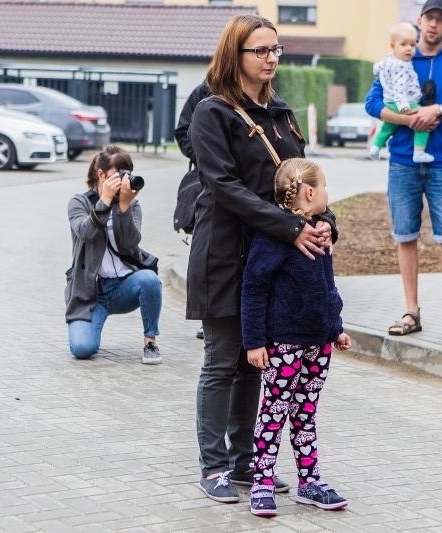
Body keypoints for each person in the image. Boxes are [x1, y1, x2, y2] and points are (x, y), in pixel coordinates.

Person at [186, 13, 337, 504]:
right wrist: (292, 228)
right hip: (227, 253)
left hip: (276, 258)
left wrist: (326, 222)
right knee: (222, 360)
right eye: (261, 50)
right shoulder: (213, 113)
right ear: (237, 55)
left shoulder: (283, 113)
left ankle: (247, 463)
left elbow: (301, 179)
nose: (272, 58)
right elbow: (223, 187)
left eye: (276, 50)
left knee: (259, 363)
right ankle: (214, 467)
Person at [364, 0, 442, 341]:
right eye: (428, 18)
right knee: (405, 236)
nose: (433, 24)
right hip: (402, 161)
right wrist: (410, 119)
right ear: (419, 22)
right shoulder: (399, 57)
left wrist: (438, 111)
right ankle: (411, 311)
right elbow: (373, 103)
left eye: (440, 20)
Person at [242, 158, 351, 517]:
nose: (327, 195)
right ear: (308, 192)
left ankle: (309, 482)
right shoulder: (273, 237)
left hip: (318, 342)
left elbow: (325, 286)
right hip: (283, 343)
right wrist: (255, 341)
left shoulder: (321, 230)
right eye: (324, 188)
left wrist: (335, 328)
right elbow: (254, 288)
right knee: (274, 412)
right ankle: (262, 481)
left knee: (306, 412)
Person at [65, 145, 163, 364]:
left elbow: (130, 243)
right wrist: (106, 201)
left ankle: (150, 342)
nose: (122, 182)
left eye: (126, 175)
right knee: (82, 349)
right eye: (116, 177)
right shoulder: (79, 203)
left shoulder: (131, 205)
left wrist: (125, 208)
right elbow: (86, 233)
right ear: (101, 175)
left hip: (123, 287)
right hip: (91, 293)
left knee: (150, 279)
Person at [174, 81, 211, 341]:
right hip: (208, 183)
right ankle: (207, 318)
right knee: (206, 251)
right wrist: (206, 158)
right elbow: (182, 130)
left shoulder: (261, 89)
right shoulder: (204, 91)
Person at [369, 22, 434, 164]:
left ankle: (375, 148)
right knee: (423, 121)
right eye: (403, 45)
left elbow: (377, 68)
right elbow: (400, 88)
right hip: (404, 103)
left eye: (412, 45)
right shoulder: (401, 66)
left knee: (387, 127)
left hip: (389, 103)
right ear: (393, 46)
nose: (409, 49)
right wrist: (404, 106)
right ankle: (419, 152)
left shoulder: (388, 60)